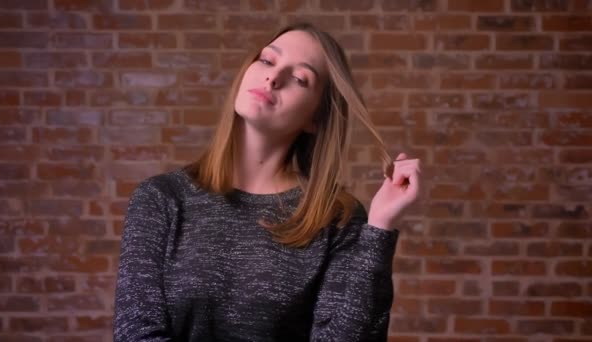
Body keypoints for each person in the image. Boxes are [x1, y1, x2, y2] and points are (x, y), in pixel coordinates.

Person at [113, 22, 421, 341]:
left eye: (300, 79)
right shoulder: (161, 198)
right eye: (267, 60)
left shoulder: (336, 219)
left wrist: (380, 227)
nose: (273, 77)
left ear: (315, 118)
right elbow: (136, 334)